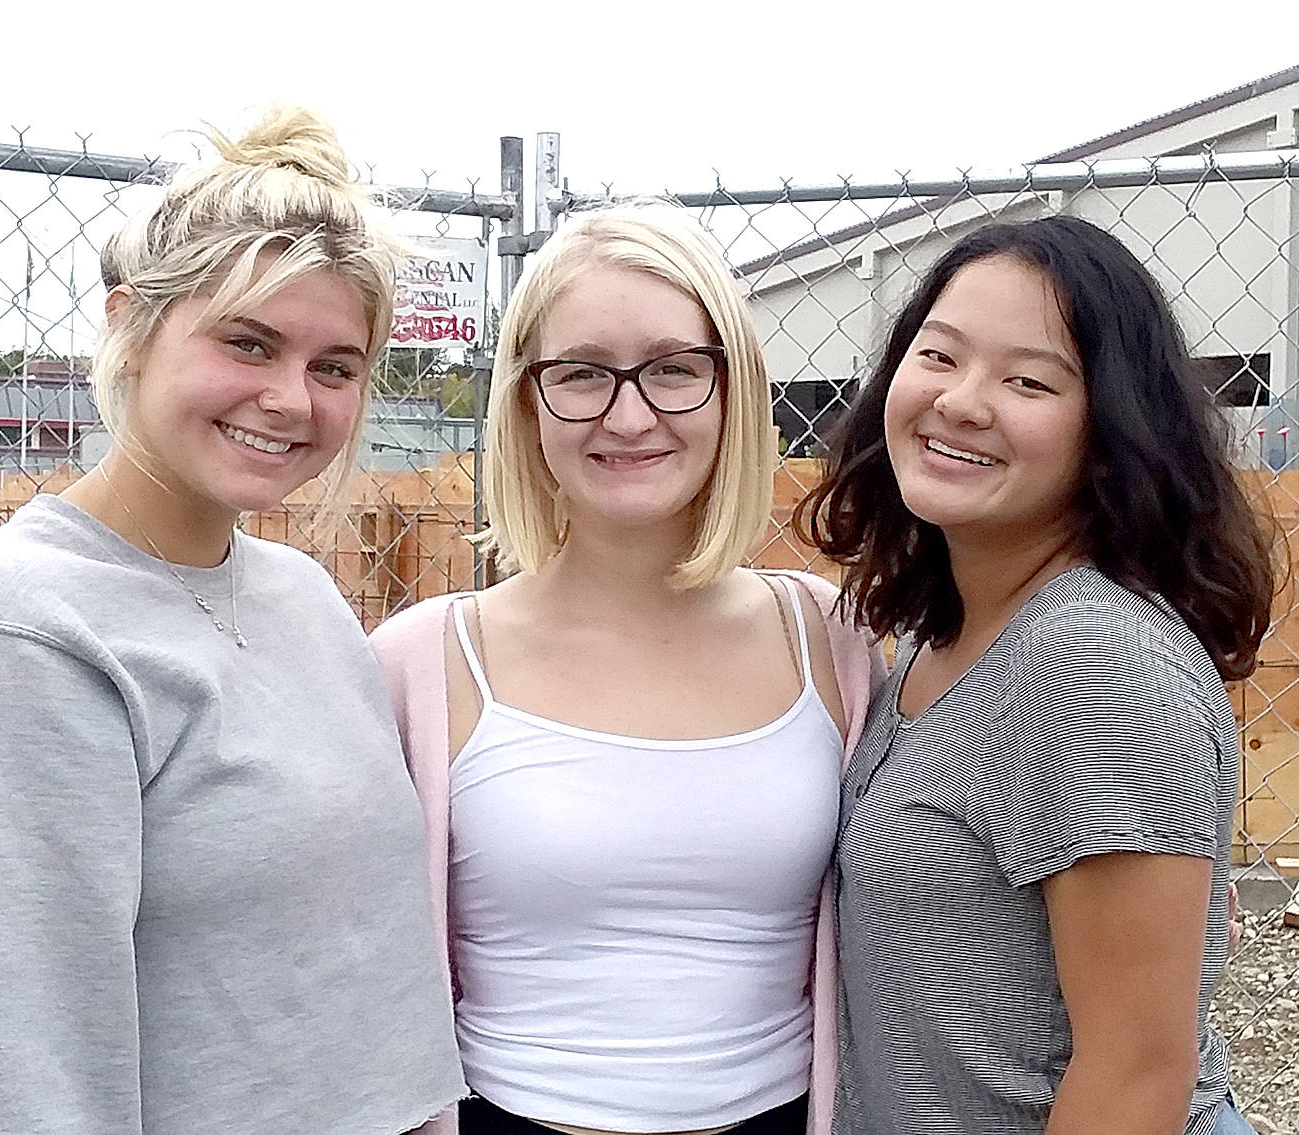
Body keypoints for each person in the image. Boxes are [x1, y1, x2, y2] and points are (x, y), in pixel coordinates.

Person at [0, 106, 465, 1134]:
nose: (291, 398)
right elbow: (8, 1086)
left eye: (334, 365)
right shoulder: (10, 639)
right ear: (129, 326)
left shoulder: (302, 598)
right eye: (248, 342)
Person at [371, 202, 883, 1135]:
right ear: (526, 403)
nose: (631, 413)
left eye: (674, 368)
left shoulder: (831, 638)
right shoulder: (421, 663)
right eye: (581, 373)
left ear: (733, 389)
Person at [797, 215, 1272, 1135]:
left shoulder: (1092, 659)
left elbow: (1137, 1073)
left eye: (1028, 381)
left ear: (1111, 427)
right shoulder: (946, 631)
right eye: (940, 355)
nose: (962, 401)